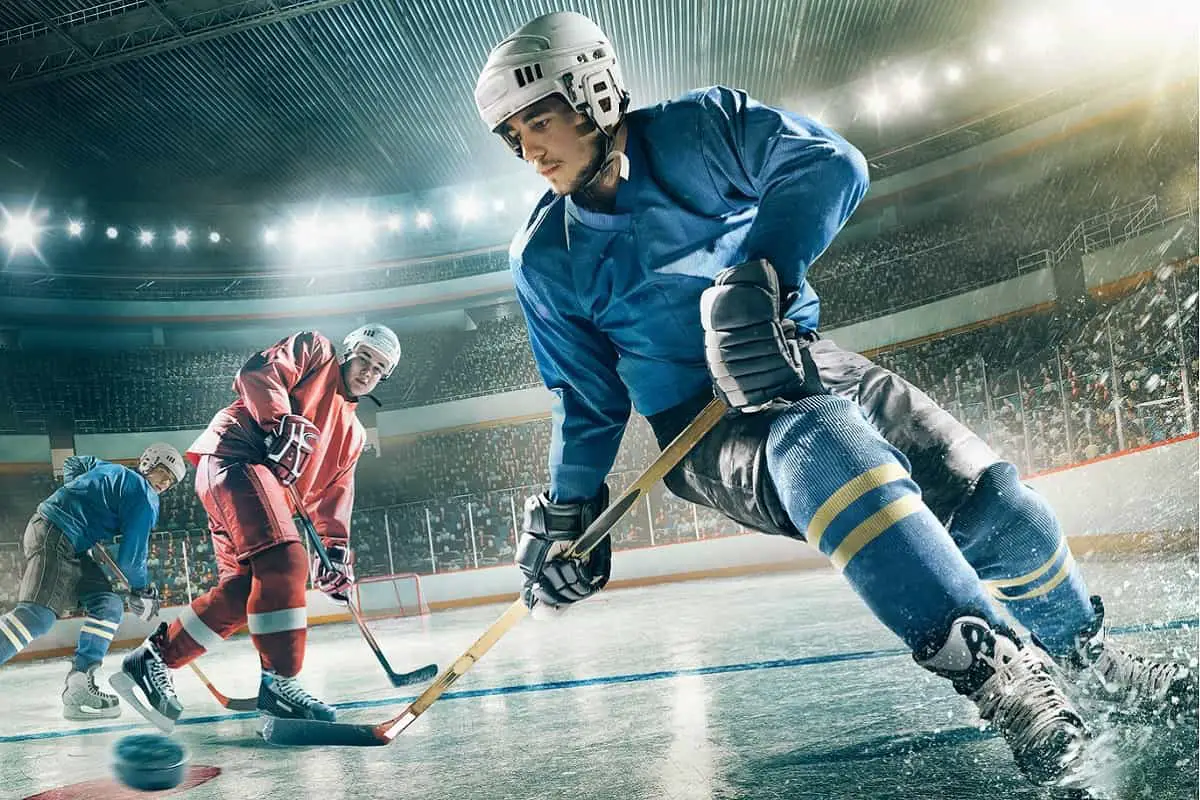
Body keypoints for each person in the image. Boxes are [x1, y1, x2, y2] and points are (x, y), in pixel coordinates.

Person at [474, 11, 1194, 788]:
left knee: (999, 510)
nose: (530, 152)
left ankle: (1094, 662)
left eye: (539, 122)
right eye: (514, 139)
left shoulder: (703, 126)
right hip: (706, 434)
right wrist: (568, 514)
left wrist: (762, 275)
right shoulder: (545, 257)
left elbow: (831, 164)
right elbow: (586, 400)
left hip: (807, 361)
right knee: (816, 438)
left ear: (595, 95)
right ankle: (1002, 676)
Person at [111, 324, 401, 732]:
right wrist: (282, 421)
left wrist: (334, 554)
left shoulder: (352, 435)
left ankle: (153, 660)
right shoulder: (315, 351)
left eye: (380, 367)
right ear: (349, 351)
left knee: (243, 591)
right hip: (236, 455)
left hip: (255, 492)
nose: (369, 370)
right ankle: (281, 684)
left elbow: (334, 496)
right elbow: (256, 374)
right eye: (365, 358)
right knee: (284, 560)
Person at [0, 444, 184, 720]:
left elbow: (75, 463)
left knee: (107, 604)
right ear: (147, 465)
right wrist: (142, 589)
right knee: (37, 617)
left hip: (63, 537)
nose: (164, 484)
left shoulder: (107, 468)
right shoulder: (144, 496)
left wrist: (80, 498)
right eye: (162, 475)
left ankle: (79, 684)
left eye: (169, 482)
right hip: (57, 533)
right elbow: (132, 561)